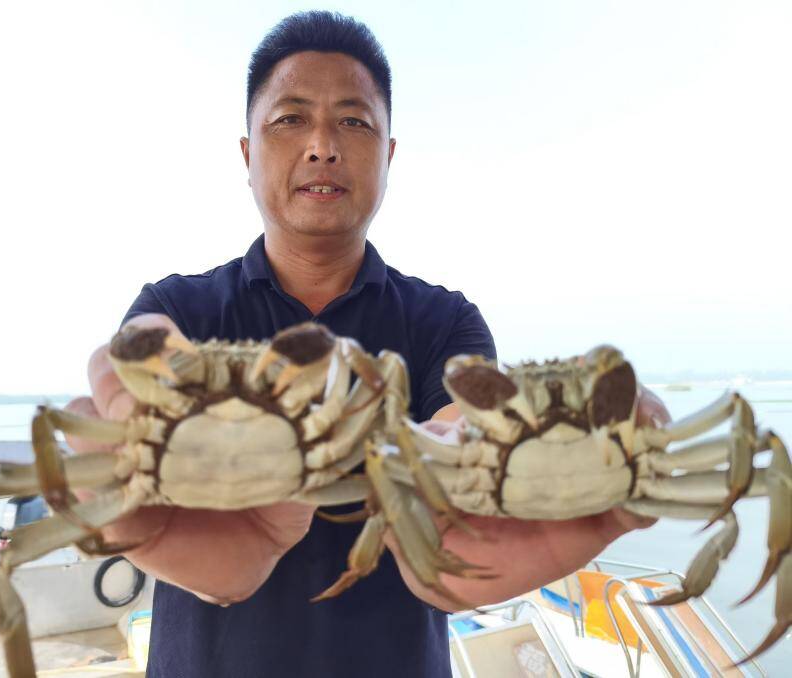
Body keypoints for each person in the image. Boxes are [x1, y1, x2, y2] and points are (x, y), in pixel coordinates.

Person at [65, 11, 669, 677]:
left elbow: (456, 447)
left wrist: (483, 490)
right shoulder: (175, 310)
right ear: (247, 154)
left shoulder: (444, 322)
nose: (322, 145)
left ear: (387, 154)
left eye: (354, 121)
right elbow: (132, 425)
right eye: (290, 118)